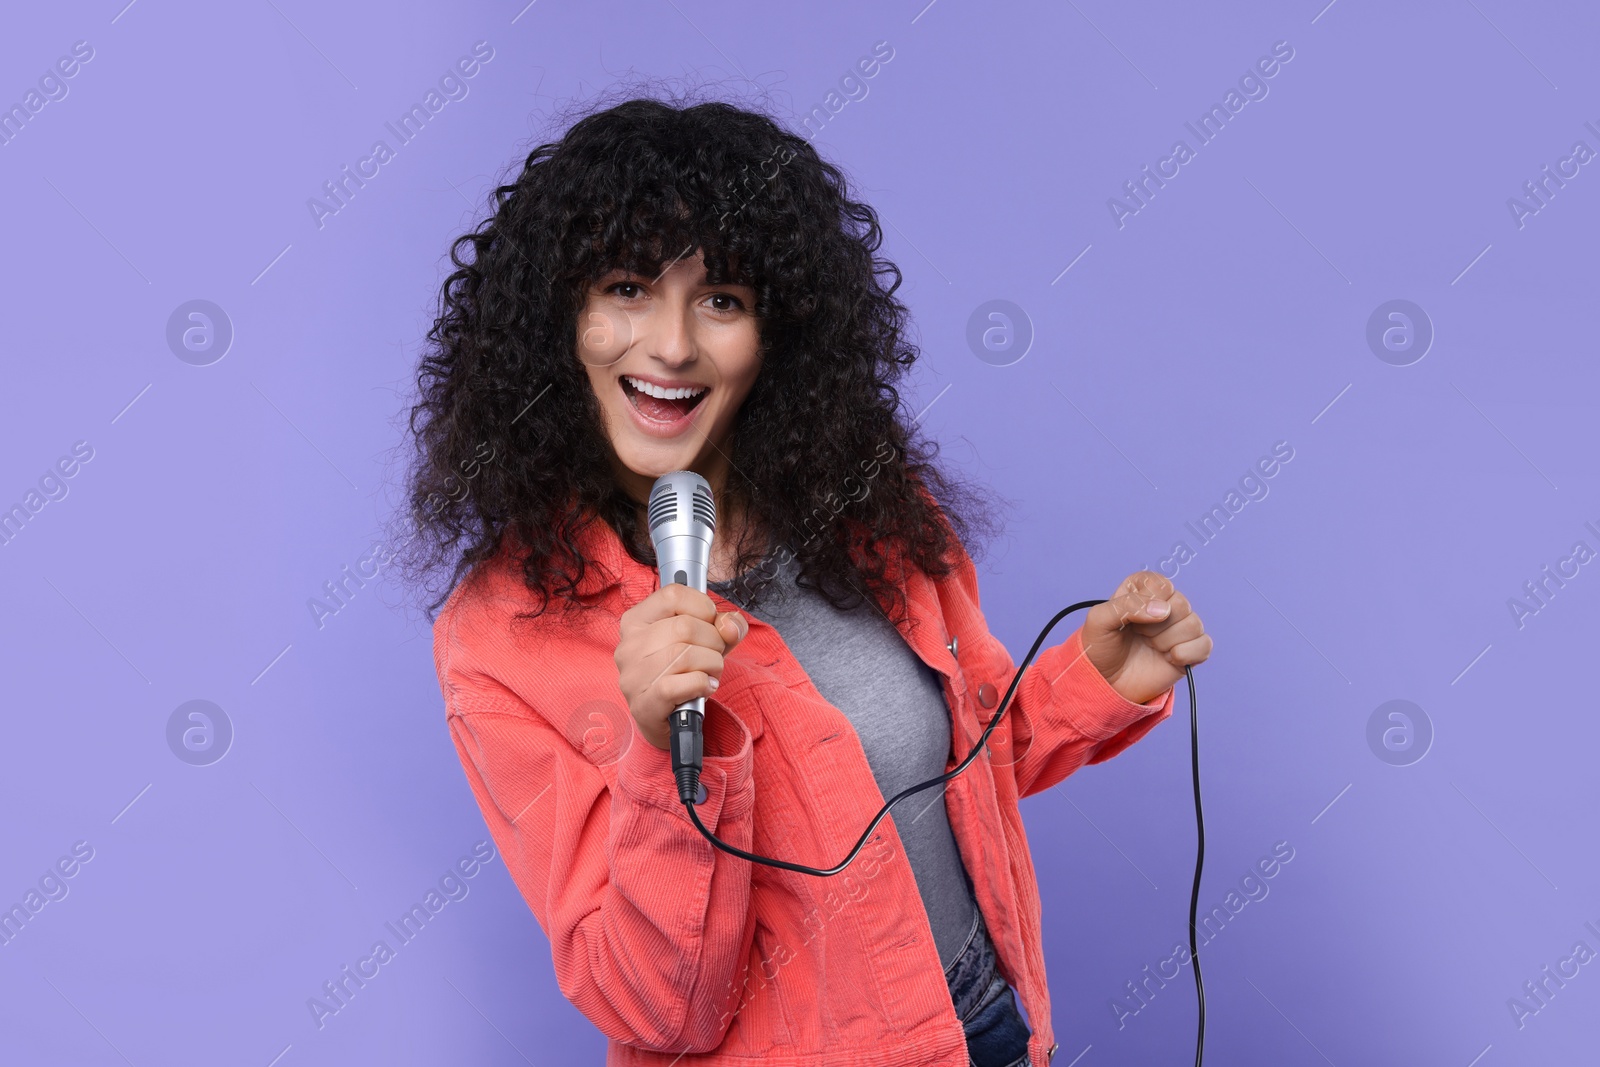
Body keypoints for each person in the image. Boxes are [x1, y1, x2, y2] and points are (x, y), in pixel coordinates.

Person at [402, 96, 1211, 1067]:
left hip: (991, 1028)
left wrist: (1100, 674)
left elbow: (960, 758)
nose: (670, 344)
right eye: (625, 287)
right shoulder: (501, 639)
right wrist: (664, 753)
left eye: (723, 299)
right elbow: (658, 1010)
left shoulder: (874, 512)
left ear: (777, 335)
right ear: (557, 319)